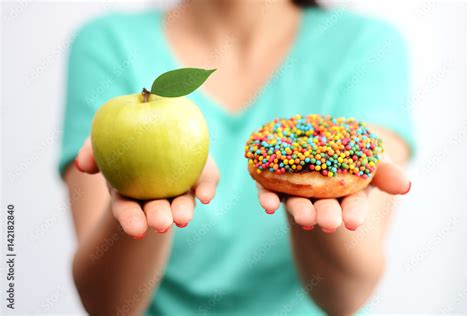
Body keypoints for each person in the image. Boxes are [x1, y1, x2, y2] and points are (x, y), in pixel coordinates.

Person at [60, 0, 413, 314]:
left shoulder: (366, 45)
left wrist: (313, 198)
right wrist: (148, 185)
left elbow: (346, 298)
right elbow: (106, 306)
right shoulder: (108, 44)